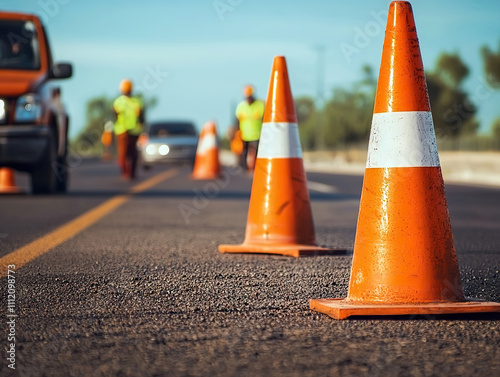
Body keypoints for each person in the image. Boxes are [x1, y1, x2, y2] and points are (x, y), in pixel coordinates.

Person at [113, 79, 144, 180]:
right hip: (122, 130)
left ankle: (130, 173)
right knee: (124, 153)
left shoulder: (135, 102)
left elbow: (141, 117)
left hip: (133, 131)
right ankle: (126, 172)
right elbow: (114, 116)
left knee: (132, 153)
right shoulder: (119, 102)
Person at [235, 85, 265, 170]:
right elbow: (237, 120)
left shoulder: (260, 105)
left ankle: (256, 168)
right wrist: (237, 133)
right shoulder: (241, 106)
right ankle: (244, 168)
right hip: (244, 134)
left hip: (257, 134)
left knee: (257, 153)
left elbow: (264, 118)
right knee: (244, 152)